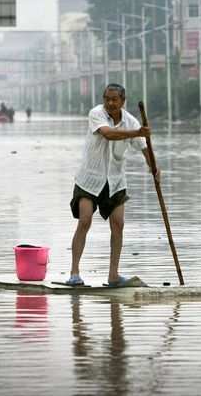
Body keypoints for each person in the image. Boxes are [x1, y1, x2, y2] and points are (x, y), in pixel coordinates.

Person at [66, 83, 159, 287]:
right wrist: (136, 133)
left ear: (122, 101)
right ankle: (74, 273)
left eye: (114, 99)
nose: (110, 103)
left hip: (115, 180)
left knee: (118, 224)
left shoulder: (130, 121)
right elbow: (108, 134)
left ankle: (113, 275)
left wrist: (154, 168)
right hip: (89, 179)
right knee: (85, 221)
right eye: (107, 98)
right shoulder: (96, 113)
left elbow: (145, 149)